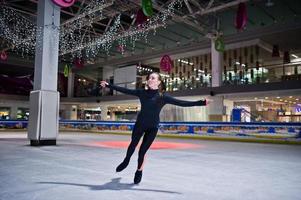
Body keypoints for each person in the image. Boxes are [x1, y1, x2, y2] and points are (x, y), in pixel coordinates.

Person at [100, 72, 209, 184]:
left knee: (142, 152)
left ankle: (139, 171)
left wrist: (201, 103)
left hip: (153, 128)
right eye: (149, 78)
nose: (150, 79)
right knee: (133, 144)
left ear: (159, 82)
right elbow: (125, 90)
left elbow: (181, 103)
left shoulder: (163, 96)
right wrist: (108, 85)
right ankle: (126, 161)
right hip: (140, 124)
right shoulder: (142, 93)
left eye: (153, 78)